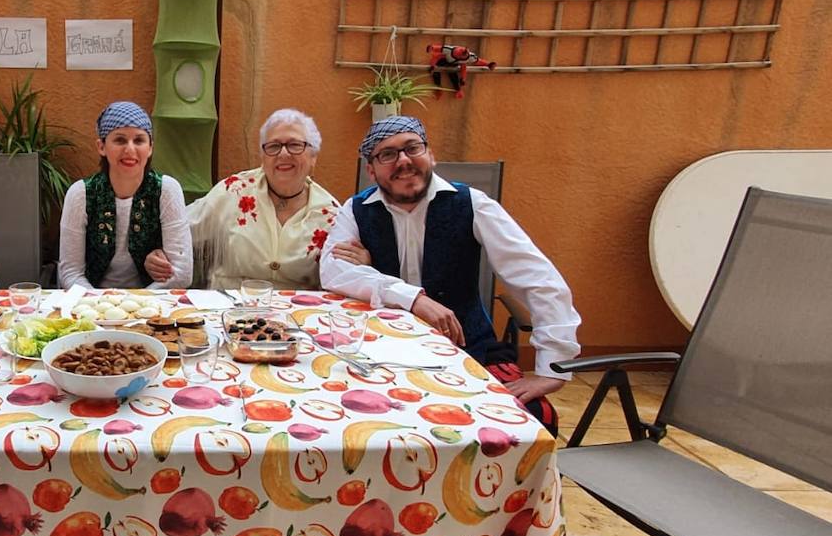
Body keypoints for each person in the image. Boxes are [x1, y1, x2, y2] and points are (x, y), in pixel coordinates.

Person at [320, 115, 580, 429]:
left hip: (468, 349)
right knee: (352, 421)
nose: (403, 161)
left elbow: (538, 278)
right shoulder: (356, 209)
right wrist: (413, 298)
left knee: (534, 419)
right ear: (372, 170)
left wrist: (551, 368)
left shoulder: (473, 204)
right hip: (380, 352)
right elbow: (333, 269)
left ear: (430, 155)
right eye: (387, 154)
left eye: (411, 148)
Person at [177, 108, 339, 290]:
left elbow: (343, 269)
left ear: (313, 156)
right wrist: (157, 252)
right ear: (262, 156)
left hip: (294, 314)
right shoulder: (234, 191)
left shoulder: (330, 213)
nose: (283, 153)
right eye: (273, 146)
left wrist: (362, 260)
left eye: (295, 145)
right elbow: (179, 228)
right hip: (227, 307)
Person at [58, 101, 192, 289]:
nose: (130, 149)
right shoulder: (80, 194)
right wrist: (100, 304)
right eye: (120, 140)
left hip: (153, 305)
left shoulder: (167, 190)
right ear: (101, 147)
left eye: (139, 140)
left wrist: (138, 303)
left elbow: (182, 273)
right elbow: (70, 273)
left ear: (151, 147)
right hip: (92, 305)